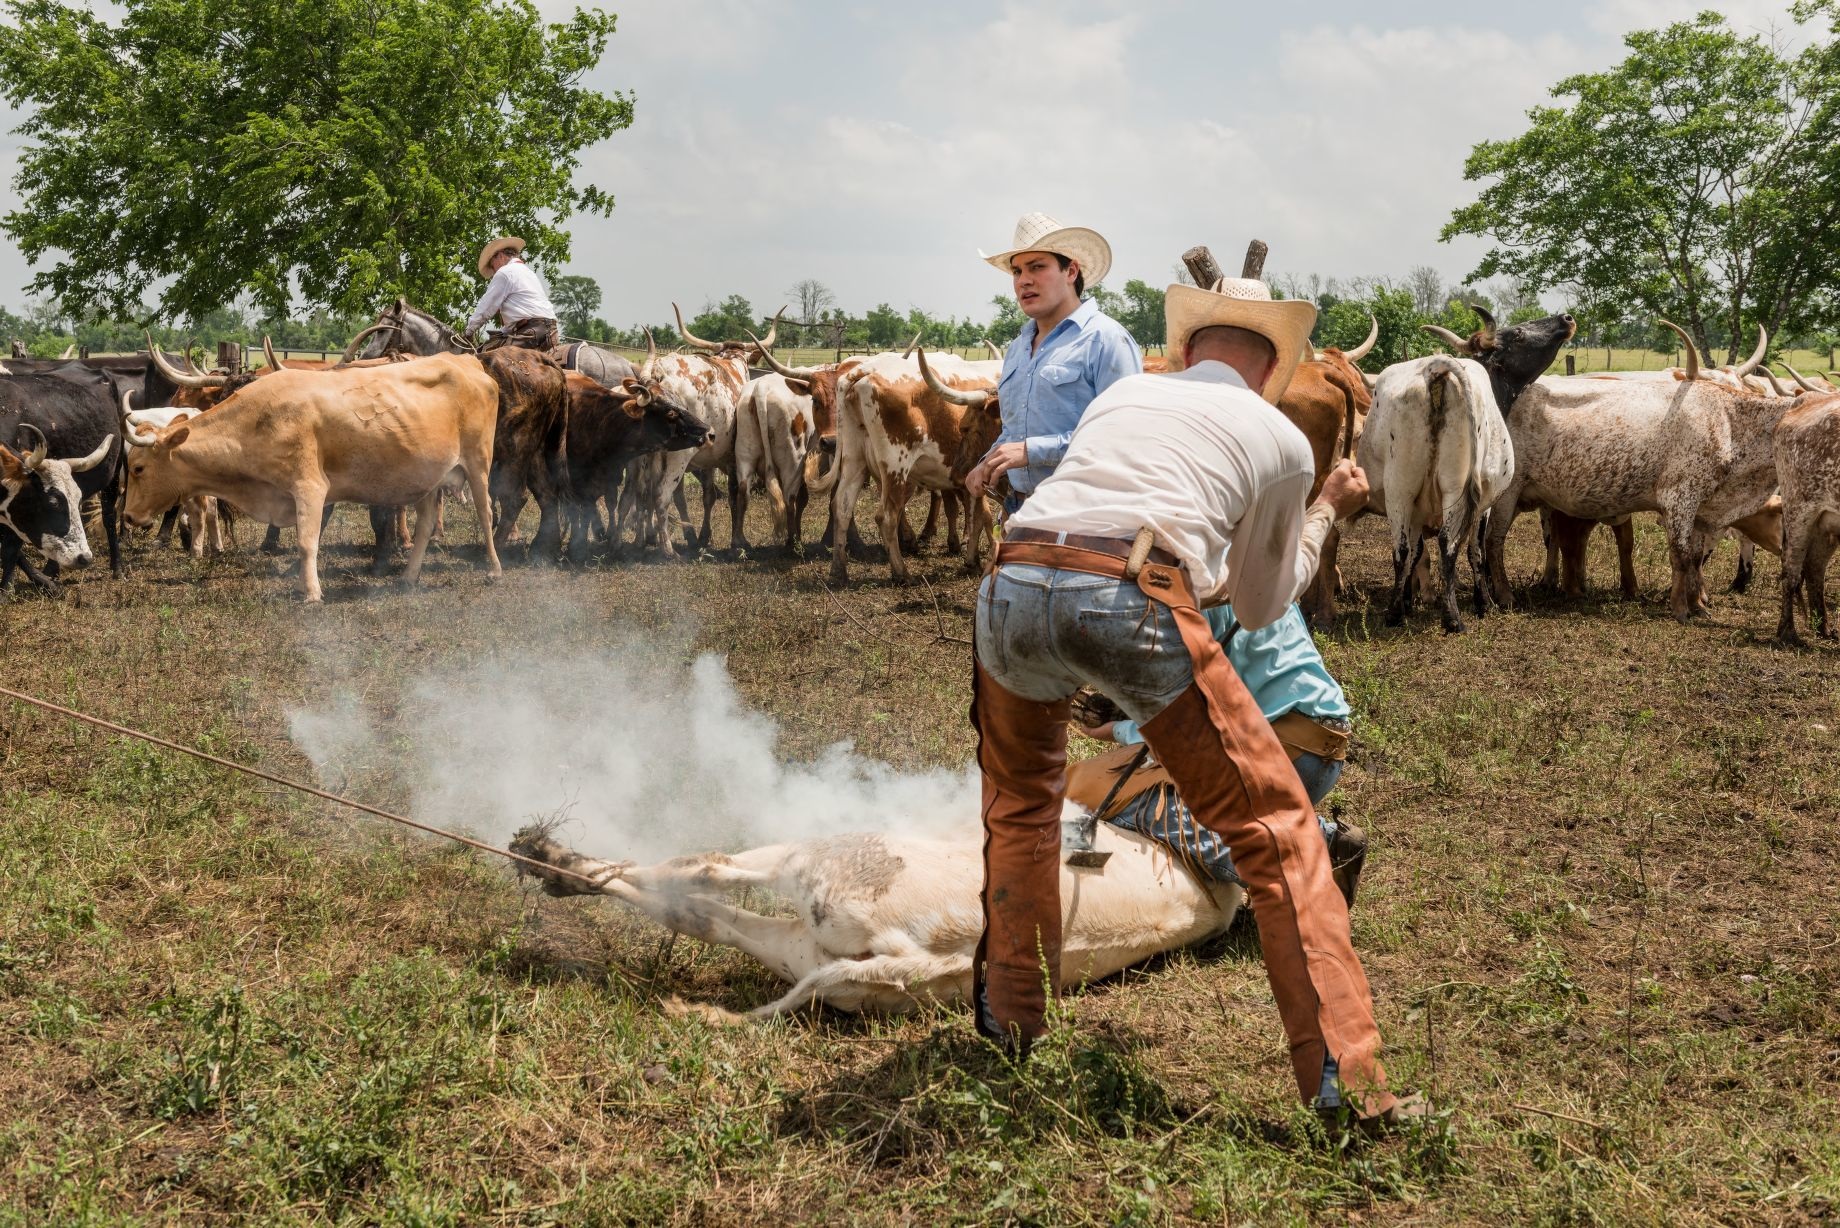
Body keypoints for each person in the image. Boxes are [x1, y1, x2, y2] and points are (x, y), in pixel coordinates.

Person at [971, 274, 1417, 1131]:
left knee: (1021, 806)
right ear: (1275, 371)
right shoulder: (1281, 437)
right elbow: (1258, 604)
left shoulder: (1126, 394)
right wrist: (1323, 513)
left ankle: (1010, 1021)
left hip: (1012, 575)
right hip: (1132, 591)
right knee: (1278, 836)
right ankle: (1347, 1086)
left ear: (1182, 353)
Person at [1068, 599, 1364, 904]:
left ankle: (1308, 860)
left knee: (1132, 803)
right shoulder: (1245, 566)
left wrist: (1120, 730)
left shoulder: (1187, 594)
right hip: (1322, 743)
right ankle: (1313, 838)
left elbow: (1183, 722)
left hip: (1285, 755)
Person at [966, 213, 1141, 513]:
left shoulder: (1106, 340)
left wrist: (1031, 451)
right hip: (1019, 509)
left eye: (1037, 267)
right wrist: (989, 461)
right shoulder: (1018, 348)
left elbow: (1123, 437)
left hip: (1084, 515)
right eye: (1017, 271)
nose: (1024, 280)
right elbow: (1014, 432)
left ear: (1071, 271)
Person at [466, 237, 561, 352]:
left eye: (492, 265)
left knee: (485, 359)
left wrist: (468, 332)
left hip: (530, 331)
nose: (493, 270)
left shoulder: (505, 272)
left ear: (500, 256)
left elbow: (485, 308)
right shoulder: (528, 272)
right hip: (550, 331)